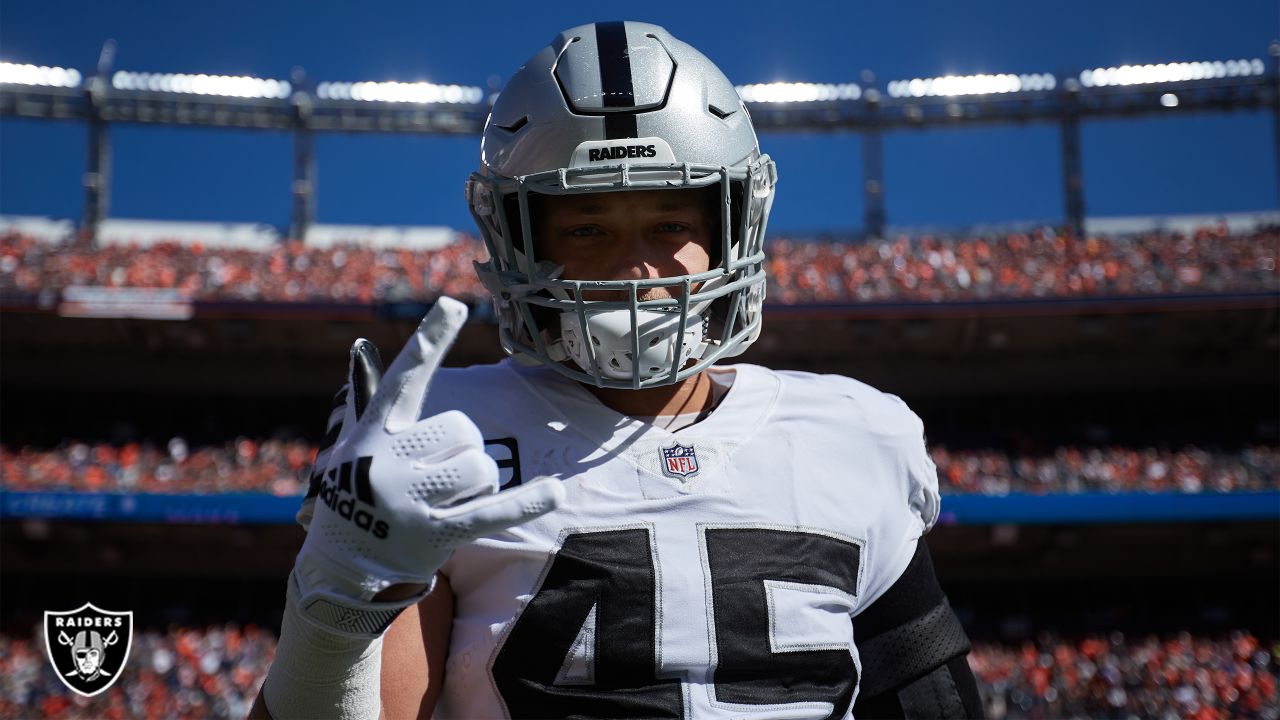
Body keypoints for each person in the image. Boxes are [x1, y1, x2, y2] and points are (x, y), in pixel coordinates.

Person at [250, 21, 982, 719]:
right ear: (520, 240)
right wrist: (342, 605)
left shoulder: (851, 433)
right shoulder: (440, 437)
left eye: (670, 225)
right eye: (587, 227)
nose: (635, 266)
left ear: (734, 228)